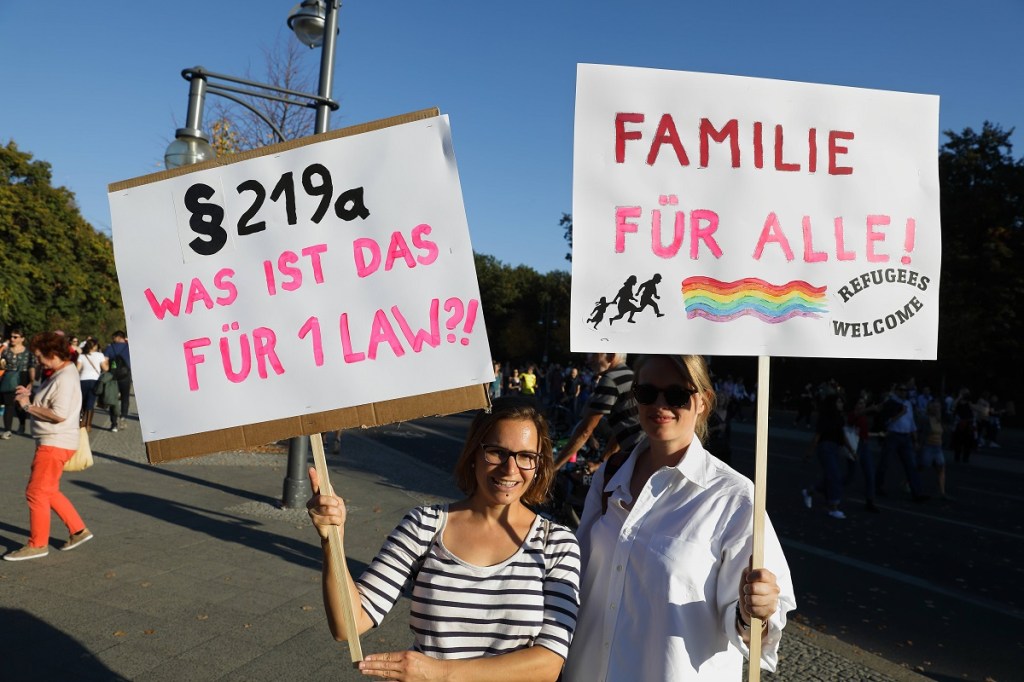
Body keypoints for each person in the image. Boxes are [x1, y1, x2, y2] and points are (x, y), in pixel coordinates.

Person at [306, 397, 581, 680]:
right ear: (474, 453)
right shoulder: (425, 525)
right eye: (497, 452)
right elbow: (348, 623)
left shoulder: (557, 543)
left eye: (525, 456)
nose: (510, 469)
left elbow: (548, 664)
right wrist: (333, 541)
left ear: (539, 464)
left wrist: (440, 673)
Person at [563, 355, 794, 681]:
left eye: (676, 395)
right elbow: (580, 572)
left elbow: (753, 630)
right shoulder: (611, 474)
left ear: (703, 401)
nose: (660, 404)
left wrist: (753, 611)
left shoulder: (734, 496)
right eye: (646, 393)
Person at [3, 332, 92, 561]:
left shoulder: (64, 377)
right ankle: (78, 530)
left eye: (40, 356)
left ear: (52, 354)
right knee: (48, 490)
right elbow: (52, 401)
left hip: (54, 442)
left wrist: (27, 406)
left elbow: (59, 414)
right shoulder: (64, 372)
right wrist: (30, 394)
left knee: (36, 492)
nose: (38, 360)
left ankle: (38, 544)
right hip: (56, 442)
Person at [553, 353, 644, 473]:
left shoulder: (611, 379)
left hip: (637, 456)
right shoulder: (631, 375)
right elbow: (621, 430)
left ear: (611, 356)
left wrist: (555, 466)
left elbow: (585, 430)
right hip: (644, 453)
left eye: (594, 354)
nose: (589, 360)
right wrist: (601, 462)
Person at [802, 394, 856, 519]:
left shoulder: (839, 418)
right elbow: (817, 436)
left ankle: (810, 491)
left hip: (834, 448)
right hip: (825, 448)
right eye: (838, 402)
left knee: (831, 477)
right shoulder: (825, 418)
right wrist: (809, 452)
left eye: (841, 402)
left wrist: (851, 450)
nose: (841, 404)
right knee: (834, 476)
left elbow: (842, 436)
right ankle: (833, 506)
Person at [1, 328, 37, 438]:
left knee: (20, 405)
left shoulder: (28, 353)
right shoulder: (6, 351)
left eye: (15, 337)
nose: (12, 339)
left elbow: (31, 367)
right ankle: (8, 430)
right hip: (9, 377)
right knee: (8, 404)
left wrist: (31, 381)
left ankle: (22, 423)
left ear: (22, 339)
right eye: (11, 336)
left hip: (23, 377)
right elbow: (2, 364)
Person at [76, 338, 108, 432]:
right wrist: (107, 362)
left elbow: (77, 369)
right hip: (95, 381)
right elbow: (105, 368)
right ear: (94, 346)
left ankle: (80, 422)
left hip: (82, 380)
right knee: (90, 403)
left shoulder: (81, 356)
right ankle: (88, 425)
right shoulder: (100, 355)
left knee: (81, 403)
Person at [103, 330, 131, 431]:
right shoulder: (129, 347)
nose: (112, 339)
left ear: (118, 337)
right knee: (125, 398)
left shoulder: (110, 348)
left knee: (113, 399)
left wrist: (106, 372)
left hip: (113, 377)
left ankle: (114, 424)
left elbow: (105, 363)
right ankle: (123, 416)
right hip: (126, 376)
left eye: (113, 337)